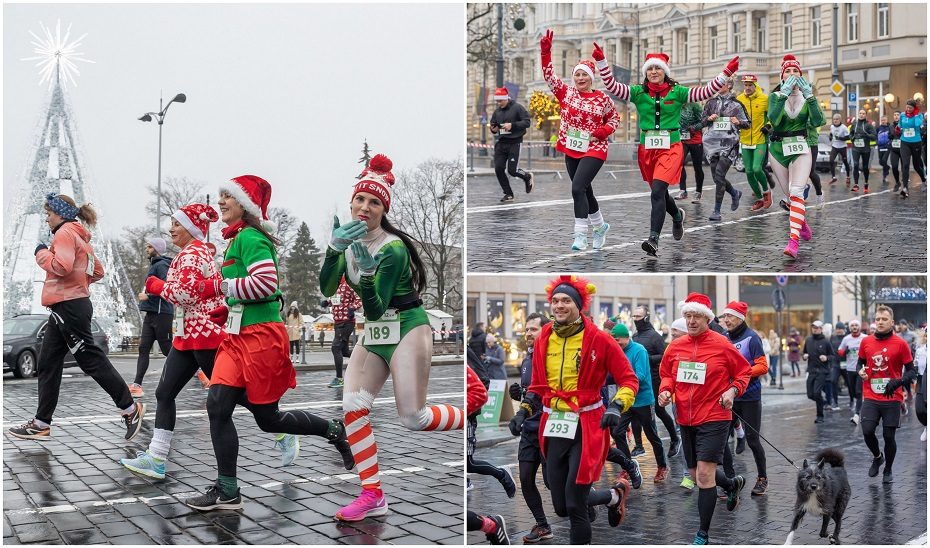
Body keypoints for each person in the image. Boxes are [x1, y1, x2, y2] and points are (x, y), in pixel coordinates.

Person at [184, 175, 354, 511]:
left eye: (227, 197)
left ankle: (335, 430)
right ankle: (228, 491)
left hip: (261, 337)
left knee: (268, 418)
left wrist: (224, 292)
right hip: (237, 337)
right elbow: (243, 286)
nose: (220, 201)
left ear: (244, 205)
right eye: (220, 195)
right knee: (217, 407)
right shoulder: (236, 240)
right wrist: (226, 307)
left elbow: (265, 284)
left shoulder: (250, 237)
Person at [320, 154, 465, 521]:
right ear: (351, 201)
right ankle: (372, 495)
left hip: (407, 326)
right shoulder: (346, 239)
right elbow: (326, 287)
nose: (365, 207)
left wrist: (367, 275)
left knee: (413, 417)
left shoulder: (393, 248)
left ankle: (469, 416)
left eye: (374, 202)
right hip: (376, 332)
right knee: (353, 407)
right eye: (360, 200)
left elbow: (373, 306)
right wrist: (333, 250)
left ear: (384, 209)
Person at [120, 203, 299, 478]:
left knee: (231, 395)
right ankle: (156, 457)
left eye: (177, 224)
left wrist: (157, 288)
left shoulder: (194, 253)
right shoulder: (188, 253)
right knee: (164, 393)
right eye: (171, 223)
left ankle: (280, 428)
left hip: (204, 335)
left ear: (191, 228)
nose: (171, 229)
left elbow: (188, 294)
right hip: (188, 335)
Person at [8, 193, 146, 443]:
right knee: (48, 363)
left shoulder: (64, 234)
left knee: (90, 360)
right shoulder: (80, 236)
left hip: (69, 307)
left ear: (60, 213)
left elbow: (61, 266)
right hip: (65, 307)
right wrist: (81, 283)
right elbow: (99, 271)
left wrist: (40, 253)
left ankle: (129, 408)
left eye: (49, 213)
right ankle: (41, 423)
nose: (46, 218)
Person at [594, 45, 740, 255]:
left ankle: (653, 239)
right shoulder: (637, 92)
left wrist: (726, 72)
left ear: (665, 72)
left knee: (657, 192)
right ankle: (678, 216)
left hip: (670, 147)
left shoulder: (678, 92)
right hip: (648, 150)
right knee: (659, 193)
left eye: (658, 68)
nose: (654, 72)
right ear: (646, 72)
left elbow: (706, 91)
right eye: (650, 69)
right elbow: (612, 85)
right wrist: (602, 63)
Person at [524, 276, 637, 544]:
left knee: (575, 506)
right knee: (562, 506)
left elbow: (629, 380)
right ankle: (614, 496)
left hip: (587, 425)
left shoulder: (599, 339)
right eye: (555, 301)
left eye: (566, 301)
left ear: (579, 305)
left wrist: (617, 406)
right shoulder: (543, 339)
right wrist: (524, 408)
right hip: (553, 425)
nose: (559, 305)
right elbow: (538, 384)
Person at [657, 292, 752, 545]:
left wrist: (732, 391)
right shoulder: (676, 347)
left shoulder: (721, 344)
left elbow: (743, 373)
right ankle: (731, 485)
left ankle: (702, 534)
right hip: (685, 418)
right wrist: (665, 390)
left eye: (696, 316)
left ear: (707, 318)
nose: (691, 321)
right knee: (695, 473)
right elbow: (667, 373)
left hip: (714, 415)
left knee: (704, 477)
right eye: (687, 316)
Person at [541, 30, 619, 251]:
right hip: (571, 147)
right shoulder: (566, 93)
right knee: (586, 190)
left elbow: (614, 118)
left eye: (584, 75)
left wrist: (603, 131)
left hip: (594, 147)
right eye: (577, 75)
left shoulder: (602, 98)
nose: (580, 79)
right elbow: (549, 76)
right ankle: (601, 226)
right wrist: (546, 52)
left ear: (591, 78)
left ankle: (580, 236)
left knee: (577, 189)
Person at [766, 55, 825, 259]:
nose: (792, 75)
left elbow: (818, 121)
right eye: (788, 72)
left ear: (801, 76)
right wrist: (782, 95)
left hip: (801, 147)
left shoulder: (807, 97)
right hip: (778, 149)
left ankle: (793, 241)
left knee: (797, 191)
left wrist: (811, 97)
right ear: (782, 77)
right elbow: (774, 119)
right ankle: (802, 223)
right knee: (791, 198)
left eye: (795, 72)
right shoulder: (774, 97)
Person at [857, 305, 918, 483]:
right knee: (867, 431)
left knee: (888, 436)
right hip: (870, 395)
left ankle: (888, 469)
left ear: (892, 322)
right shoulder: (866, 342)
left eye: (884, 319)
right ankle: (877, 457)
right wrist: (860, 372)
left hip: (892, 397)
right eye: (878, 319)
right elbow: (859, 364)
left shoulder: (900, 344)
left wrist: (898, 381)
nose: (880, 322)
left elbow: (912, 372)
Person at [508, 312, 554, 543]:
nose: (527, 333)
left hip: (548, 427)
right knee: (525, 479)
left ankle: (591, 498)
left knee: (552, 483)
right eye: (526, 329)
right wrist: (518, 394)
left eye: (533, 329)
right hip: (529, 428)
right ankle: (543, 525)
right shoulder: (527, 359)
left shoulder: (552, 356)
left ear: (545, 331)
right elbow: (531, 392)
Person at [719, 302, 769, 497]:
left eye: (730, 316)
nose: (727, 320)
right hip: (728, 395)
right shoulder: (723, 338)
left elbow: (763, 367)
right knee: (722, 439)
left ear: (741, 318)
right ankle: (730, 480)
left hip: (749, 396)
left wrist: (743, 372)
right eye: (725, 316)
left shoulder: (752, 338)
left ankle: (762, 478)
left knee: (753, 440)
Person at [609, 323, 668, 481]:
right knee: (617, 432)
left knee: (651, 435)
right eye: (613, 340)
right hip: (625, 400)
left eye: (618, 340)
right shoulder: (616, 351)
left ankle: (662, 466)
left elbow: (640, 376)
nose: (616, 343)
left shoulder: (639, 350)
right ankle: (628, 466)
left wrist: (622, 379)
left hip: (643, 400)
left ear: (626, 338)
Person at [630, 305, 681, 459]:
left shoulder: (655, 337)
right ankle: (639, 445)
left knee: (659, 411)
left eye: (638, 317)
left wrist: (646, 359)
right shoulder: (635, 336)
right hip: (638, 381)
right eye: (634, 317)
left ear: (646, 317)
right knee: (634, 411)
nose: (636, 320)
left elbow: (665, 356)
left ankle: (674, 438)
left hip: (654, 379)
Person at [467, 366, 510, 545]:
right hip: (467, 418)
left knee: (469, 463)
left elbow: (482, 384)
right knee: (468, 465)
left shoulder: (468, 352)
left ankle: (501, 474)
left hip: (468, 419)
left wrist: (466, 413)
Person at [131, 237, 174, 397]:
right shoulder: (154, 265)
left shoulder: (162, 265)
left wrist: (147, 295)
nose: (146, 249)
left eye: (149, 247)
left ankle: (198, 371)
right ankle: (137, 385)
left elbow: (166, 287)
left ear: (156, 249)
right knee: (143, 348)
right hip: (151, 314)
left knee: (167, 350)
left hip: (162, 313)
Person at [701, 78, 749, 221]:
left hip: (729, 143)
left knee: (720, 175)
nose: (718, 86)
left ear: (729, 86)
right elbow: (701, 122)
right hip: (711, 144)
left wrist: (739, 122)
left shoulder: (737, 104)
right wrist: (709, 118)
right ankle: (734, 193)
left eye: (721, 83)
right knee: (717, 178)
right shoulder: (711, 103)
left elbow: (748, 124)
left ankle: (716, 210)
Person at [735, 73, 773, 210]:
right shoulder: (739, 99)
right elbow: (734, 116)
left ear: (755, 85)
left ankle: (767, 193)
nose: (748, 87)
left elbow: (772, 116)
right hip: (745, 140)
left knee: (757, 168)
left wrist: (769, 126)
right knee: (749, 172)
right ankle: (759, 198)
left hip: (760, 139)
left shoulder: (764, 99)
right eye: (745, 84)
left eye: (750, 85)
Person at [489, 87, 534, 202]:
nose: (499, 103)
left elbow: (527, 122)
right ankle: (508, 193)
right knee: (498, 169)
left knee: (512, 171)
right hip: (501, 143)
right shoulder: (497, 111)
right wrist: (493, 129)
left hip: (515, 142)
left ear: (506, 98)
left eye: (501, 101)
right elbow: (493, 126)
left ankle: (527, 176)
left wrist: (512, 125)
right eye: (497, 101)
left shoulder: (517, 108)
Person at [323, 278, 362, 388]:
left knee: (336, 348)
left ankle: (339, 379)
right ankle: (365, 360)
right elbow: (337, 300)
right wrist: (327, 303)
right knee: (344, 351)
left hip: (346, 321)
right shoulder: (335, 286)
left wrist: (352, 309)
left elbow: (359, 300)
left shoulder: (350, 284)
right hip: (337, 322)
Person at [803, 320, 835, 423]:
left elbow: (833, 356)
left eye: (817, 328)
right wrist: (804, 356)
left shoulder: (826, 341)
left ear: (821, 329)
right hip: (811, 371)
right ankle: (824, 402)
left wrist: (826, 357)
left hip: (822, 371)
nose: (815, 329)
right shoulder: (808, 340)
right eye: (813, 328)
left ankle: (820, 416)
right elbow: (804, 353)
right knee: (810, 395)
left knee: (817, 393)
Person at [895, 99, 927, 197]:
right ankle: (905, 188)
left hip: (916, 142)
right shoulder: (902, 115)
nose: (908, 109)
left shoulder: (919, 116)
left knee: (917, 165)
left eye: (910, 108)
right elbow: (900, 125)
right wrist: (898, 128)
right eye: (907, 107)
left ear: (914, 108)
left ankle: (924, 180)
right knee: (905, 165)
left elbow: (917, 124)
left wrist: (916, 114)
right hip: (905, 142)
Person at [837, 319, 866, 424]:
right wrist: (845, 351)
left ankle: (857, 414)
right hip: (849, 368)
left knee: (859, 391)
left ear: (859, 327)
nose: (854, 327)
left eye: (856, 325)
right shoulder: (846, 339)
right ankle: (854, 400)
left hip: (861, 369)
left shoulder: (865, 338)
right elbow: (839, 351)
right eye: (852, 325)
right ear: (850, 328)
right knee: (852, 390)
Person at [677, 101, 706, 201]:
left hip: (695, 140)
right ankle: (683, 190)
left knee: (697, 167)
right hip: (682, 140)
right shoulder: (675, 104)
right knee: (679, 164)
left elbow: (703, 121)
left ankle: (698, 191)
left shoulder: (694, 106)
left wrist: (693, 128)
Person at [849, 109, 876, 193]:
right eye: (860, 113)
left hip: (865, 149)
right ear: (858, 114)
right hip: (855, 148)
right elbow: (851, 133)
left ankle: (866, 183)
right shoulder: (854, 124)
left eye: (863, 113)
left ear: (866, 115)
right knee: (856, 165)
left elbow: (874, 136)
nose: (861, 115)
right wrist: (852, 138)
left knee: (865, 167)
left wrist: (867, 135)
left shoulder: (869, 125)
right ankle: (856, 184)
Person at [827, 113, 852, 185]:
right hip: (835, 146)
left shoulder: (844, 127)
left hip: (842, 147)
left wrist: (840, 138)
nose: (835, 120)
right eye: (834, 119)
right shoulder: (832, 126)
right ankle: (833, 177)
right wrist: (830, 137)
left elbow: (848, 137)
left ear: (840, 120)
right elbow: (831, 134)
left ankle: (848, 176)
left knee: (845, 161)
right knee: (831, 160)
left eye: (837, 119)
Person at [828, 322, 847, 410]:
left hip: (846, 363)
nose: (839, 330)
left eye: (840, 329)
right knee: (833, 381)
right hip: (835, 363)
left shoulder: (847, 337)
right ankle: (835, 401)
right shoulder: (833, 338)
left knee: (850, 383)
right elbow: (829, 349)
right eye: (837, 329)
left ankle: (852, 400)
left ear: (844, 329)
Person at [889, 111, 905, 191]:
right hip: (894, 149)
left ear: (901, 116)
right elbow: (890, 135)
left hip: (904, 149)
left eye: (898, 115)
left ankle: (905, 185)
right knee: (894, 167)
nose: (896, 116)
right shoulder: (891, 126)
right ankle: (897, 182)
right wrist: (890, 136)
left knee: (904, 168)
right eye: (894, 115)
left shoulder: (904, 124)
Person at [876, 115, 893, 184]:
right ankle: (887, 167)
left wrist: (890, 143)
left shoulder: (889, 127)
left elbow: (892, 136)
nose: (883, 121)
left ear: (887, 120)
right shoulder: (878, 128)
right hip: (880, 147)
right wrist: (877, 142)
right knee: (881, 162)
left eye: (884, 120)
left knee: (884, 160)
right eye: (882, 120)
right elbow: (875, 135)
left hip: (887, 147)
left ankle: (884, 177)